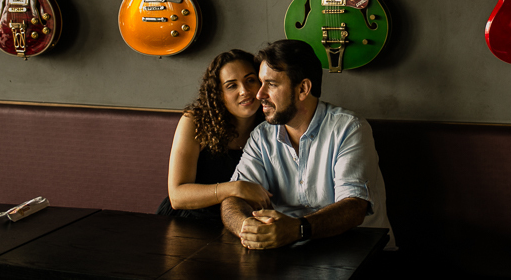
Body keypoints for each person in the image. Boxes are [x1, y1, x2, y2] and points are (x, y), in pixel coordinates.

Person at [221, 39, 396, 250]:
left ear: (303, 88)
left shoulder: (349, 128)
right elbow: (233, 200)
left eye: (272, 84)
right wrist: (247, 227)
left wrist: (297, 229)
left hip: (358, 251)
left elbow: (354, 206)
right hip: (292, 253)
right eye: (261, 82)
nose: (259, 94)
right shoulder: (262, 136)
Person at [158, 49, 273, 221]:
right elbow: (177, 196)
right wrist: (236, 188)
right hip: (188, 220)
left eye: (250, 80)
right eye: (231, 86)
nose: (244, 91)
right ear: (219, 94)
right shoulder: (195, 122)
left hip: (240, 221)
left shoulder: (272, 124)